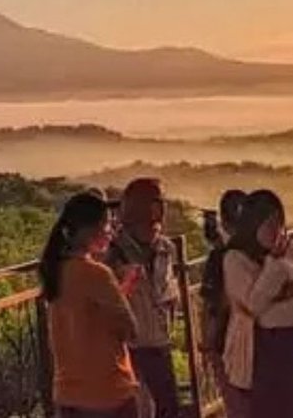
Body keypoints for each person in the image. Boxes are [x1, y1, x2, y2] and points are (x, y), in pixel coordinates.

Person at [222, 191, 293, 418]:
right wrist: (275, 267)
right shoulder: (235, 260)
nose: (276, 232)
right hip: (260, 355)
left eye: (279, 224)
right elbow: (254, 305)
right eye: (269, 225)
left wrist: (270, 314)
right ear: (253, 224)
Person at [41, 192, 141, 418]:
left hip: (68, 392)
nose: (111, 231)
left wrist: (119, 291)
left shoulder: (56, 271)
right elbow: (130, 330)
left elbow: (83, 315)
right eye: (107, 224)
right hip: (108, 392)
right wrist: (120, 294)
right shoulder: (96, 274)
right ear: (90, 229)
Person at [105, 178, 181, 418]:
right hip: (129, 345)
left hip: (159, 341)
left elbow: (168, 290)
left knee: (169, 407)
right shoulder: (114, 253)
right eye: (157, 203)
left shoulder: (165, 249)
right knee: (138, 410)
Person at [199, 190, 248, 418]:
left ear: (224, 222)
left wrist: (208, 341)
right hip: (263, 339)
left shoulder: (220, 258)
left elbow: (216, 304)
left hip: (228, 340)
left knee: (236, 403)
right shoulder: (266, 252)